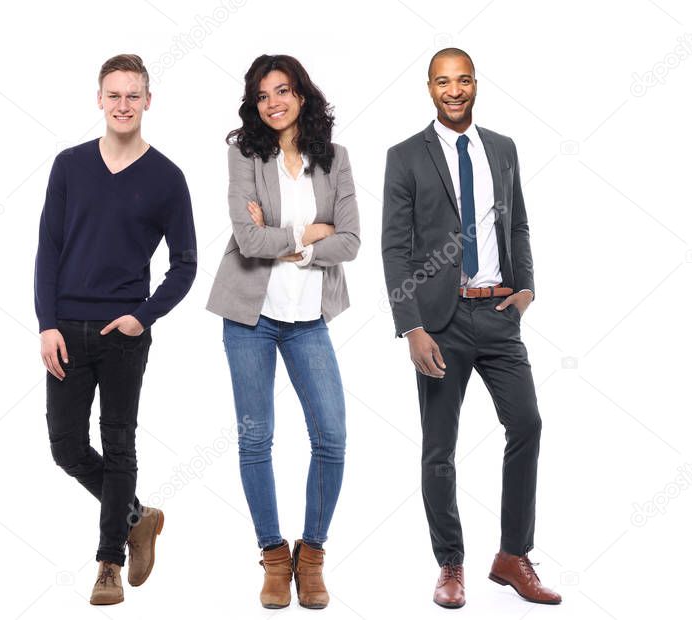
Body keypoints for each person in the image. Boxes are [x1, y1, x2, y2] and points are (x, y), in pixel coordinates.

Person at [380, 48, 561, 608]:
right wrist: (411, 326)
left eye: (462, 81)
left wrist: (525, 287)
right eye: (443, 82)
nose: (453, 91)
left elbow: (521, 222)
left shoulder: (502, 149)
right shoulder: (405, 155)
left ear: (475, 84)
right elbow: (394, 246)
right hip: (441, 320)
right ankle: (450, 564)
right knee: (440, 447)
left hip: (500, 314)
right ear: (429, 88)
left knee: (526, 423)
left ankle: (512, 556)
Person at [34, 53, 197, 606]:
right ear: (98, 100)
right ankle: (137, 516)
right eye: (114, 95)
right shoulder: (69, 165)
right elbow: (48, 252)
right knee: (66, 447)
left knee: (118, 442)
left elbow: (185, 265)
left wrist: (142, 316)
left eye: (133, 95)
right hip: (66, 331)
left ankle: (108, 562)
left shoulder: (167, 178)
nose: (123, 105)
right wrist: (46, 325)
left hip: (124, 332)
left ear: (148, 101)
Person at [205, 53, 360, 610]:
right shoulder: (244, 153)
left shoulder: (334, 159)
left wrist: (281, 232)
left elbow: (352, 242)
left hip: (308, 319)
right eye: (263, 94)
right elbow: (247, 241)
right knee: (256, 439)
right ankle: (273, 558)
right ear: (254, 102)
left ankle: (311, 555)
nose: (274, 102)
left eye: (283, 91)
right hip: (249, 317)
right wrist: (309, 233)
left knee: (332, 438)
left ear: (301, 96)